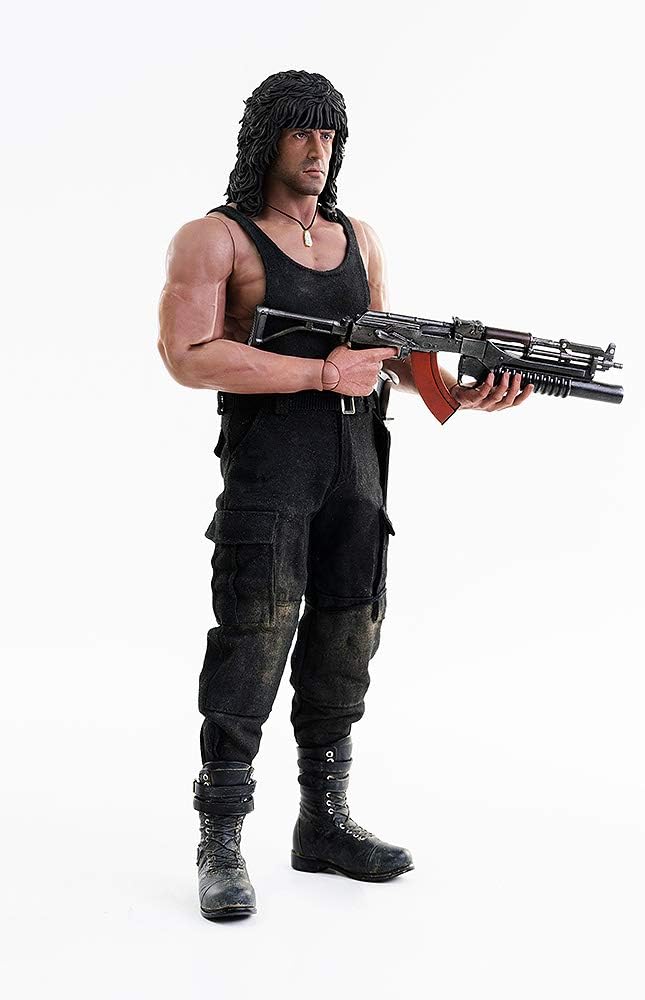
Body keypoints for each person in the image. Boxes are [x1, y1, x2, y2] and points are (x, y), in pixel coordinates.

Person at [157, 69, 533, 920]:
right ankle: (220, 839)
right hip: (270, 474)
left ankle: (322, 823)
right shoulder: (216, 239)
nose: (318, 147)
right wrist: (319, 374)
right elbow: (187, 355)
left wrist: (456, 393)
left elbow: (384, 357)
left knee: (347, 639)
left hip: (359, 475)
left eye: (329, 132)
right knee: (253, 639)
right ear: (266, 139)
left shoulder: (360, 238)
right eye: (301, 130)